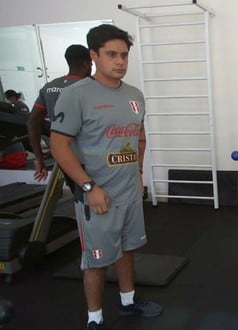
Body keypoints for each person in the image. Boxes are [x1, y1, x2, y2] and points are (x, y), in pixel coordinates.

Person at [50, 24, 162, 330]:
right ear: (94, 55)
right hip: (95, 197)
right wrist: (88, 186)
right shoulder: (76, 95)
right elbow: (58, 145)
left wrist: (139, 173)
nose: (120, 61)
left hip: (128, 192)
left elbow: (139, 137)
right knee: (96, 260)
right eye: (111, 54)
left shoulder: (135, 95)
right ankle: (95, 320)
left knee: (127, 249)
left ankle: (128, 302)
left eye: (124, 55)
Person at [26, 44, 93, 182]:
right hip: (90, 158)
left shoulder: (49, 87)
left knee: (79, 196)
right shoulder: (90, 88)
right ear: (87, 64)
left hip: (63, 156)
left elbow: (32, 122)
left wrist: (39, 158)